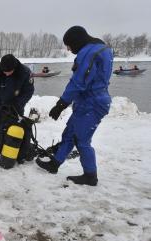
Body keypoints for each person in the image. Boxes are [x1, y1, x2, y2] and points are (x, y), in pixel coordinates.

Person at [36, 26, 113, 186]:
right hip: (87, 101)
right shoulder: (102, 49)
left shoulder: (88, 53)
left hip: (93, 103)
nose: (68, 49)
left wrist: (61, 103)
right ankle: (54, 164)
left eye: (69, 45)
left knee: (82, 140)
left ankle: (90, 176)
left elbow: (78, 82)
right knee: (70, 133)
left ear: (77, 42)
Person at [0, 54, 34, 161]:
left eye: (9, 71)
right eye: (4, 71)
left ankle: (10, 149)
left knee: (15, 127)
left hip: (17, 106)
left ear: (15, 68)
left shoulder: (25, 73)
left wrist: (18, 104)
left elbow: (28, 91)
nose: (6, 73)